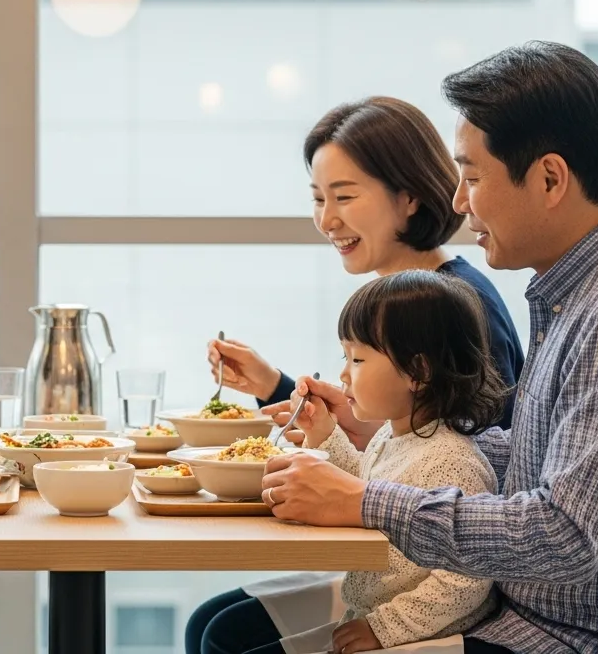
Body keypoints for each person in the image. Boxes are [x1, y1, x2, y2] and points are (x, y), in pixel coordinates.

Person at [259, 42, 598, 653]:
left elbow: (564, 535)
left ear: (549, 178)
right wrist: (404, 436)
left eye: (472, 177)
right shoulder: (587, 291)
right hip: (527, 615)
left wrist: (370, 500)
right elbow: (544, 458)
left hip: (580, 638)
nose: (460, 202)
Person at [195, 271, 506, 654]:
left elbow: (466, 581)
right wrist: (324, 433)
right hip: (371, 611)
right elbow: (361, 489)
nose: (343, 373)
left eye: (357, 358)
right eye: (345, 356)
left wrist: (383, 628)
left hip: (419, 637)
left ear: (419, 372)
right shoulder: (394, 435)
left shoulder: (451, 460)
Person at [207, 97, 523, 442]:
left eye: (344, 198)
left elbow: (469, 461)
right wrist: (270, 383)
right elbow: (386, 441)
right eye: (318, 199)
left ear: (410, 197)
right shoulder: (403, 299)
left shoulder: (459, 305)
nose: (327, 221)